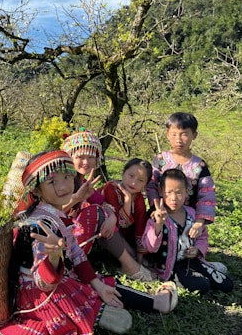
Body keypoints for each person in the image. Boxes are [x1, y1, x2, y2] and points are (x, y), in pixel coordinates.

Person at [0, 150, 178, 335]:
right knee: (90, 290)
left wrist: (97, 284)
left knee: (101, 284)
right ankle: (107, 310)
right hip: (41, 295)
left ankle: (122, 306)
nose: (64, 186)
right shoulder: (39, 227)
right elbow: (43, 283)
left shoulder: (54, 213)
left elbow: (77, 254)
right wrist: (54, 258)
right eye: (52, 182)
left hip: (60, 279)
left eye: (66, 177)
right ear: (37, 191)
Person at [62, 130, 154, 282]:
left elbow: (102, 202)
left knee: (102, 212)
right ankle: (131, 267)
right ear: (69, 156)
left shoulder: (83, 182)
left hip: (79, 237)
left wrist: (111, 216)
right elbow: (52, 211)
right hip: (59, 240)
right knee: (96, 212)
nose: (86, 162)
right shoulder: (63, 180)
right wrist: (76, 198)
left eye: (91, 157)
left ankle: (131, 264)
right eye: (80, 157)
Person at [146, 112, 226, 273]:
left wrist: (200, 221)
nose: (178, 139)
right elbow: (151, 186)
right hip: (161, 215)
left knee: (189, 245)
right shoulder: (160, 159)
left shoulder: (199, 166)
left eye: (184, 134)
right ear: (167, 134)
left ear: (194, 135)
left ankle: (197, 261)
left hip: (188, 217)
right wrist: (156, 209)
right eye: (174, 134)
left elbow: (207, 196)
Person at [142, 168, 233, 294]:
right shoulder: (157, 216)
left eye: (179, 193)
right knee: (202, 286)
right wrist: (158, 225)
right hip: (172, 267)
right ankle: (195, 276)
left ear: (187, 192)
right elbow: (149, 247)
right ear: (161, 192)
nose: (174, 198)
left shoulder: (191, 213)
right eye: (169, 192)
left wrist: (198, 250)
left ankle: (205, 267)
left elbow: (202, 236)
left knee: (227, 285)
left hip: (192, 260)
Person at [100, 158, 153, 271]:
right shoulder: (110, 189)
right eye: (131, 176)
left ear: (145, 185)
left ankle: (136, 261)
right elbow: (119, 223)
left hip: (127, 237)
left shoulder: (138, 197)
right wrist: (128, 200)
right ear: (123, 173)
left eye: (140, 180)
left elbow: (140, 225)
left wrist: (139, 259)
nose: (133, 183)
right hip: (109, 234)